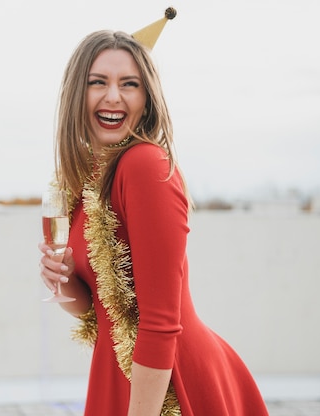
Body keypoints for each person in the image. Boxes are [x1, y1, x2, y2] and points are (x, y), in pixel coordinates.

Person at [38, 8, 269, 416]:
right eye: (98, 83)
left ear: (146, 99)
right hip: (120, 371)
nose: (113, 96)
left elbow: (160, 322)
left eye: (130, 84)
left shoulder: (145, 165)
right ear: (77, 93)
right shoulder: (88, 177)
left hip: (171, 385)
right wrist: (63, 281)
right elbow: (96, 310)